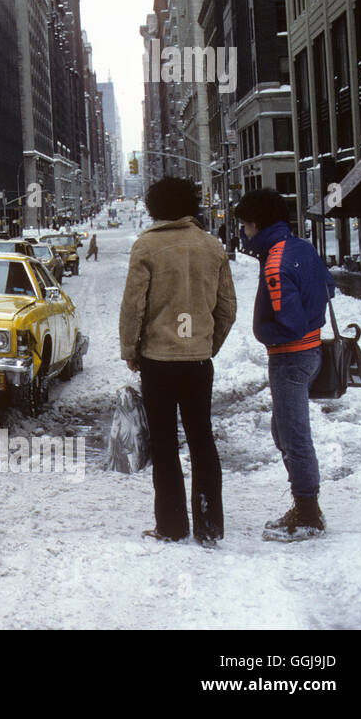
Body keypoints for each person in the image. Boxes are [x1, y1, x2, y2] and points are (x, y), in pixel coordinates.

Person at [119, 177, 236, 546]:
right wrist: (207, 345)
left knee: (165, 443)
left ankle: (171, 525)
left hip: (158, 362)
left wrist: (131, 351)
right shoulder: (212, 246)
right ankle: (210, 527)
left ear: (155, 207)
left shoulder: (147, 246)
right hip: (198, 362)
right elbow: (227, 309)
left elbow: (133, 307)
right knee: (203, 440)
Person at [236, 187, 335, 541]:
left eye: (246, 226)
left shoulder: (275, 261)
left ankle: (308, 514)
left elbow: (288, 322)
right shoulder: (302, 248)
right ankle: (304, 505)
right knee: (284, 431)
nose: (244, 234)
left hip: (290, 358)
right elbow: (329, 286)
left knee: (293, 437)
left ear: (257, 224)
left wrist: (266, 334)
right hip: (311, 353)